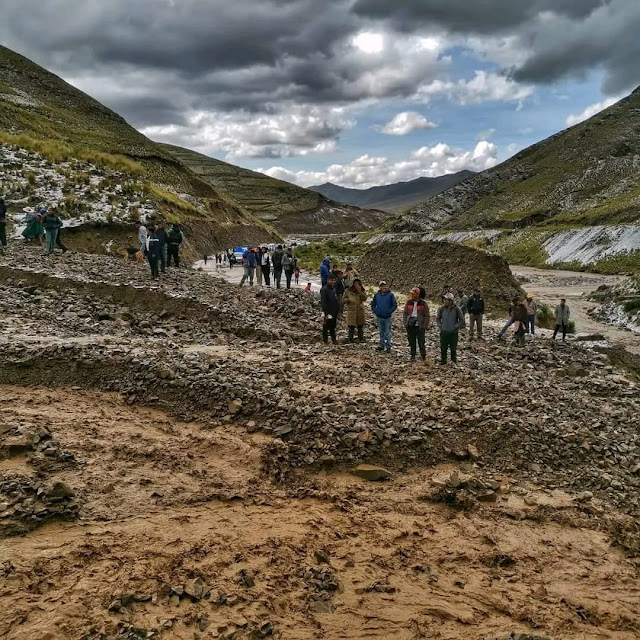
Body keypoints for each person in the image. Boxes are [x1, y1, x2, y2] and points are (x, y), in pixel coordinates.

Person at [403, 287, 430, 362]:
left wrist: (424, 326)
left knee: (421, 342)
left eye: (413, 294)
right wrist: (406, 323)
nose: (411, 295)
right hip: (410, 325)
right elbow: (405, 313)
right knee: (411, 341)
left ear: (417, 295)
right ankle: (413, 355)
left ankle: (423, 356)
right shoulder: (409, 302)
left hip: (419, 326)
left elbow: (426, 315)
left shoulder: (423, 303)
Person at [437, 292, 464, 365]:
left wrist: (455, 327)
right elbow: (438, 318)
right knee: (443, 349)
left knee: (453, 349)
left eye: (446, 300)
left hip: (453, 333)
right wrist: (440, 326)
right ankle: (443, 362)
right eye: (444, 299)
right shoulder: (441, 308)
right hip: (444, 332)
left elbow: (461, 320)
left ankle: (453, 363)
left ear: (451, 301)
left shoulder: (457, 309)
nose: (445, 301)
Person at [371, 281, 398, 352]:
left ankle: (388, 346)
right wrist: (375, 311)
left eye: (384, 286)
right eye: (382, 286)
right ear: (379, 287)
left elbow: (394, 305)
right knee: (381, 332)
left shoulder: (390, 295)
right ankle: (381, 345)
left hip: (387, 317)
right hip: (379, 316)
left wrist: (389, 311)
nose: (383, 287)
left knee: (387, 332)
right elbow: (373, 304)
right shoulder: (377, 295)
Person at [344, 278, 367, 343]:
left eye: (358, 283)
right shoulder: (348, 291)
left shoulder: (362, 290)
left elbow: (365, 298)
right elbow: (343, 300)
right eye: (355, 283)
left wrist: (360, 292)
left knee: (360, 326)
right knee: (351, 327)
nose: (356, 285)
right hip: (351, 311)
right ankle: (350, 340)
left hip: (360, 310)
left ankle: (361, 339)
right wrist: (347, 300)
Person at [320, 273, 340, 345]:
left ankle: (334, 340)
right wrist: (325, 313)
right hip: (327, 312)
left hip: (334, 311)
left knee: (332, 327)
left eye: (334, 280)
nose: (333, 282)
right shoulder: (324, 290)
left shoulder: (333, 288)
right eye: (331, 280)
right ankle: (325, 341)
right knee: (325, 327)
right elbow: (323, 302)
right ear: (328, 280)